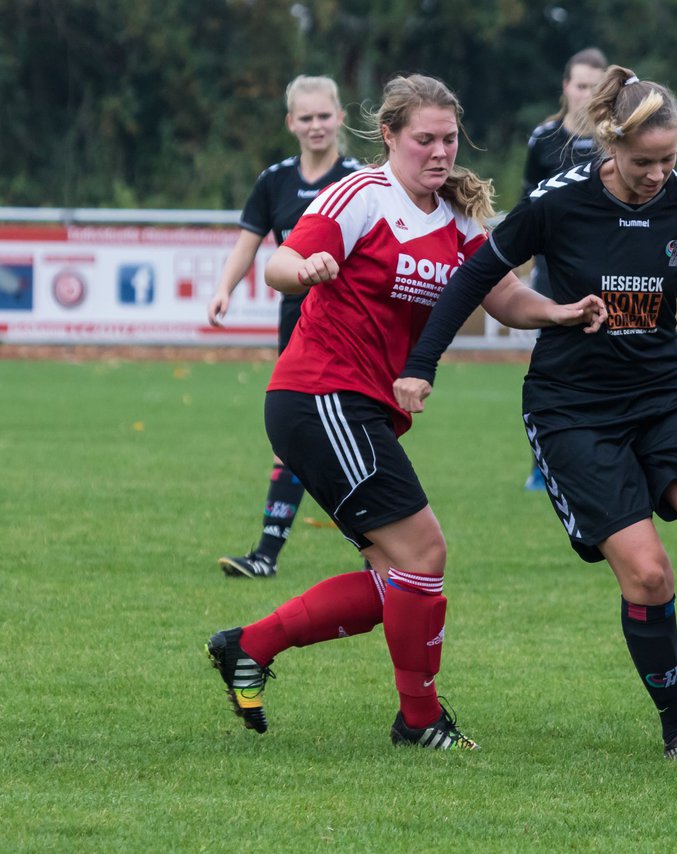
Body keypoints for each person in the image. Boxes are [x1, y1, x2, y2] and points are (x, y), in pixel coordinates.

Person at [398, 65, 677, 764]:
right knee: (649, 576)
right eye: (644, 162)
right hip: (573, 410)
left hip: (665, 397)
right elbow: (475, 276)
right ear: (611, 147)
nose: (657, 175)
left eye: (669, 161)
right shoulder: (560, 202)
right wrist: (421, 365)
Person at [204, 74, 606, 750]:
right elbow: (281, 263)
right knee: (425, 551)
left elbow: (504, 297)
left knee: (397, 581)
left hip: (355, 411)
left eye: (449, 138)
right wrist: (305, 271)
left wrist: (559, 312)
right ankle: (419, 721)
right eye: (425, 139)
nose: (440, 151)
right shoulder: (364, 194)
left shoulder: (455, 218)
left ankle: (248, 645)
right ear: (390, 136)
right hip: (319, 396)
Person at [207, 75, 362, 579]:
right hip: (296, 327)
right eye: (306, 117)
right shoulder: (273, 180)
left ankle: (381, 548)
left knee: (358, 436)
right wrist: (224, 288)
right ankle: (266, 557)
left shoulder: (360, 180)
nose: (316, 125)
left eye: (324, 115)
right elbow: (249, 243)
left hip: (351, 328)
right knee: (293, 441)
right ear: (290, 122)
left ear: (340, 117)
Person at [519, 47, 608, 491]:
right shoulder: (544, 138)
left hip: (607, 270)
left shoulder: (619, 138)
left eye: (595, 86)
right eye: (580, 84)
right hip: (553, 272)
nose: (586, 93)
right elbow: (527, 205)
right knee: (553, 362)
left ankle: (606, 454)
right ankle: (544, 462)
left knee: (605, 359)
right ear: (566, 87)